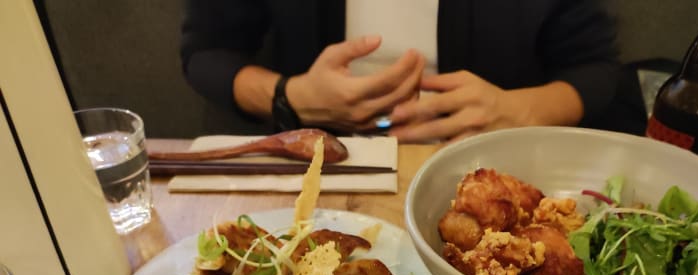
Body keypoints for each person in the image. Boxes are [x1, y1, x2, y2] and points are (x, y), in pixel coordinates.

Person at [180, 1, 623, 143]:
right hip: (318, 165)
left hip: (489, 170)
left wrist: (518, 111)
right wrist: (288, 96)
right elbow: (207, 52)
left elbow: (596, 68)